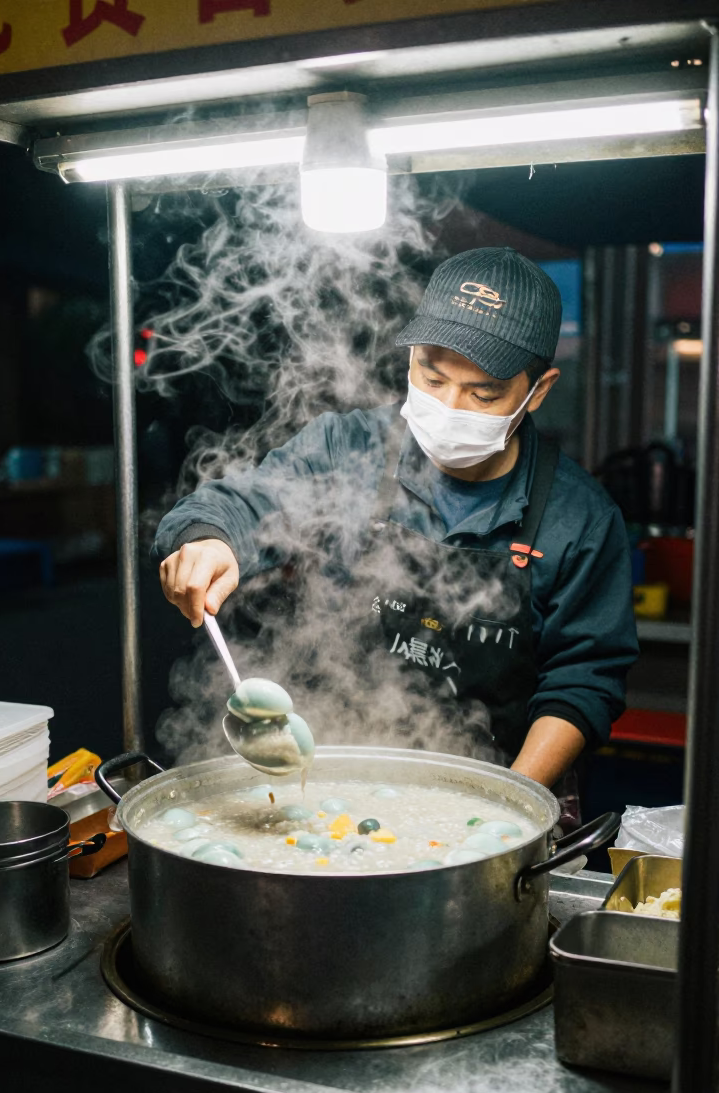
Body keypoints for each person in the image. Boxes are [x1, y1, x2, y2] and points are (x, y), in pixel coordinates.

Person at [155, 247, 638, 818]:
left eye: (483, 394)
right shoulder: (344, 447)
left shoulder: (580, 518)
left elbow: (583, 680)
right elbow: (242, 502)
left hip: (499, 787)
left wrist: (506, 809)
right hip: (330, 780)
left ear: (538, 390)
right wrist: (208, 539)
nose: (450, 406)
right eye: (431, 377)